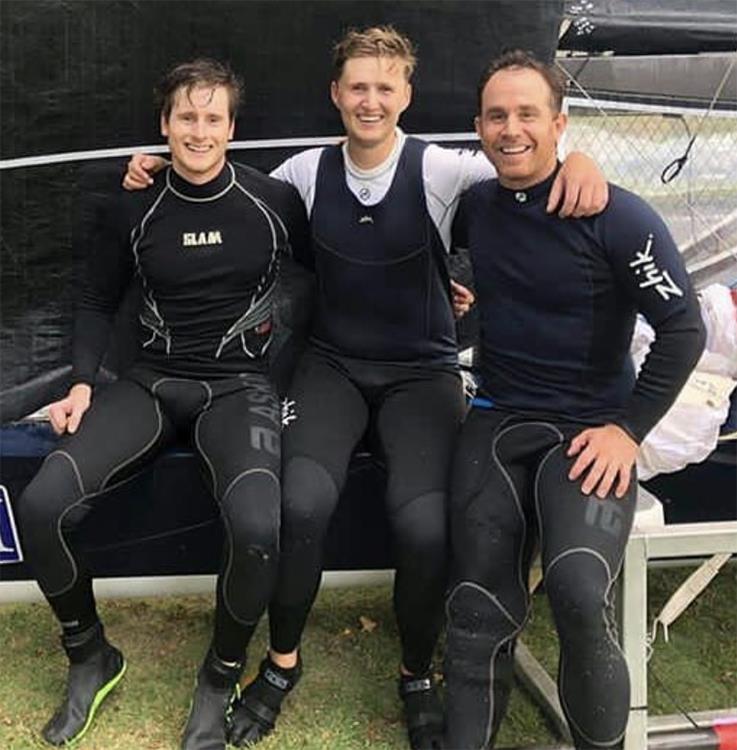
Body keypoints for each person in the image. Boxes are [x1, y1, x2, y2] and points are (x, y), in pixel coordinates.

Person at [124, 27, 608, 750]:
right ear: (335, 95)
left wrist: (581, 160)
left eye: (385, 87)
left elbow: (524, 170)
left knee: (421, 527)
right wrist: (155, 168)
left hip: (422, 372)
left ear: (406, 95)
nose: (370, 101)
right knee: (300, 503)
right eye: (357, 86)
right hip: (332, 367)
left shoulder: (446, 171)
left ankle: (416, 671)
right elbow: (220, 190)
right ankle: (282, 663)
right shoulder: (303, 175)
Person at [16, 58, 308, 750]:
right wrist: (83, 381)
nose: (198, 131)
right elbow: (93, 299)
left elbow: (329, 280)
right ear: (165, 124)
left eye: (212, 118)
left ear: (232, 128)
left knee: (258, 528)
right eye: (186, 117)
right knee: (40, 505)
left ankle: (219, 674)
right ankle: (91, 657)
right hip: (150, 381)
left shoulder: (274, 202)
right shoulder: (132, 205)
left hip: (238, 389)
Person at [444, 50, 705, 750]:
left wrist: (627, 430)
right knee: (473, 605)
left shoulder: (617, 216)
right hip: (498, 418)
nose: (510, 129)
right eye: (496, 115)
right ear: (478, 126)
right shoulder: (473, 207)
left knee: (577, 594)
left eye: (527, 114)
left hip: (589, 433)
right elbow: (471, 271)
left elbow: (683, 327)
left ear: (558, 124)